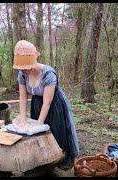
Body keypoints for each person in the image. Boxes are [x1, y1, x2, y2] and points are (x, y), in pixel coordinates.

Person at [13, 40, 80, 170]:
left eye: (25, 67)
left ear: (32, 62)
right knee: (38, 135)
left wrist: (39, 124)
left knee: (56, 131)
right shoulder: (22, 74)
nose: (22, 71)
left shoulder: (48, 74)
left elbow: (47, 102)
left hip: (54, 104)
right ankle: (43, 159)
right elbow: (22, 97)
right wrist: (23, 120)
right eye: (20, 68)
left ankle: (60, 159)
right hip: (37, 103)